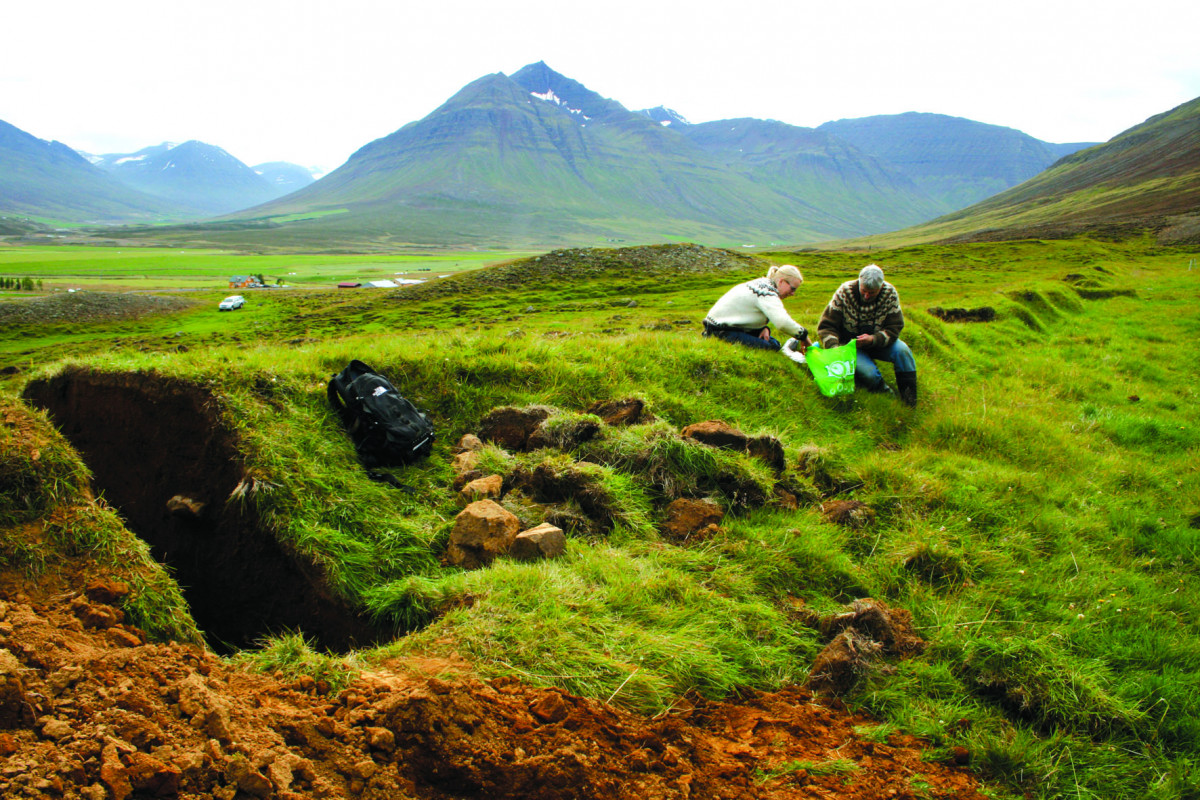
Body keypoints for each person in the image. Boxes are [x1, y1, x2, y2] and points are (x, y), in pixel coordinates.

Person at [816, 264, 918, 406]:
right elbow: (827, 327)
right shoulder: (844, 292)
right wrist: (835, 349)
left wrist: (873, 339)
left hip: (879, 342)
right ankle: (887, 396)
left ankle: (910, 401)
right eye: (864, 291)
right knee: (869, 373)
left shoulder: (890, 293)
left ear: (881, 287)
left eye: (872, 293)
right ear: (859, 281)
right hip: (851, 346)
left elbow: (895, 327)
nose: (866, 296)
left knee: (903, 352)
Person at [702, 264, 812, 364]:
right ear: (781, 281)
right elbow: (782, 323)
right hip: (721, 331)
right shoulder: (766, 292)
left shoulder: (762, 284)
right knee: (771, 348)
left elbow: (748, 313)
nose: (793, 293)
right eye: (792, 289)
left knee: (774, 343)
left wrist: (763, 328)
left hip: (725, 327)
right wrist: (804, 337)